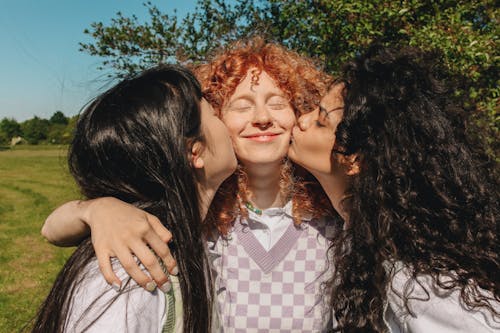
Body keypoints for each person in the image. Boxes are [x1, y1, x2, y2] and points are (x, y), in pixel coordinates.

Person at [41, 38, 336, 331]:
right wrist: (95, 210)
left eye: (277, 103)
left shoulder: (336, 216)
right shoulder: (191, 222)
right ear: (209, 132)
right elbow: (51, 230)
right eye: (242, 107)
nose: (262, 118)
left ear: (301, 113)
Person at [289, 45, 500, 332]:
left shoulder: (419, 283)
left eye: (320, 121)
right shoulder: (365, 240)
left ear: (354, 159)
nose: (301, 120)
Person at [33, 64, 237, 332]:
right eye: (214, 115)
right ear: (195, 151)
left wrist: (93, 209)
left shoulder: (183, 239)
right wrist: (91, 210)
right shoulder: (131, 280)